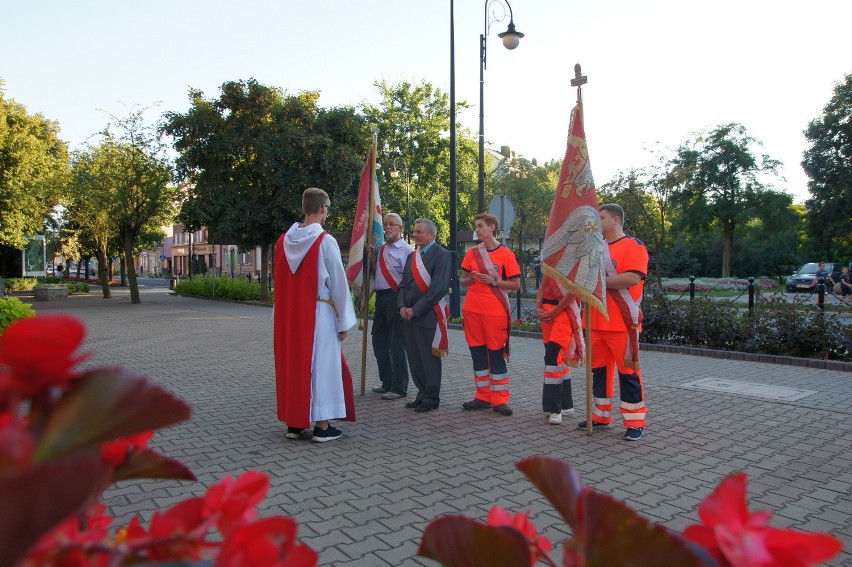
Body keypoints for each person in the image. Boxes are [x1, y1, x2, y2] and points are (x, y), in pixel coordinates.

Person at [273, 188, 357, 443]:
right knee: (322, 366)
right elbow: (338, 283)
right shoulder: (324, 241)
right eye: (327, 209)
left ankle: (295, 424)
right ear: (322, 208)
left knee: (295, 366)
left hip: (289, 315)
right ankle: (322, 426)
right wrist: (344, 320)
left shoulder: (282, 242)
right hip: (318, 313)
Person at [579, 203, 649, 441]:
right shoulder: (594, 248)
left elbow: (632, 277)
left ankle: (635, 422)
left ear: (616, 220)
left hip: (622, 323)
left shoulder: (633, 246)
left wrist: (598, 283)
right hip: (594, 320)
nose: (597, 222)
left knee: (628, 372)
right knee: (599, 371)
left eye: (601, 218)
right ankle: (601, 415)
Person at [459, 213, 521, 416]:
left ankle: (500, 400)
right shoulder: (472, 253)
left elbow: (516, 285)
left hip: (495, 311)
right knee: (477, 354)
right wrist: (473, 278)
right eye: (476, 226)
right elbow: (463, 281)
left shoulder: (506, 254)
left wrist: (492, 281)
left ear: (492, 227)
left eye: (480, 226)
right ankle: (482, 397)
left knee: (495, 354)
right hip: (472, 309)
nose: (477, 230)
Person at [397, 218, 451, 413]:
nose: (415, 234)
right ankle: (421, 393)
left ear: (432, 234)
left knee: (428, 359)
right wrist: (402, 306)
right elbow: (403, 284)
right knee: (414, 357)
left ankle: (431, 397)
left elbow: (438, 289)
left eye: (419, 231)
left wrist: (415, 310)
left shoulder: (442, 255)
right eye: (415, 231)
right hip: (409, 316)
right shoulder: (412, 257)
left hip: (427, 316)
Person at [370, 213, 414, 399]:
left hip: (397, 297)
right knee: (379, 341)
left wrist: (404, 303)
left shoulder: (406, 251)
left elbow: (408, 280)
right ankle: (386, 382)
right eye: (386, 224)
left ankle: (399, 387)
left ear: (400, 228)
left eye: (392, 224)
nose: (388, 228)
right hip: (381, 299)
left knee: (396, 344)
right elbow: (375, 273)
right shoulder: (380, 250)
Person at [535, 275, 580, 424]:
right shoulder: (551, 256)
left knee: (553, 357)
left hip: (565, 311)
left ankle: (555, 409)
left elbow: (574, 290)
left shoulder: (575, 258)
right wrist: (538, 306)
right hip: (547, 310)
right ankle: (566, 404)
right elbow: (543, 284)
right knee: (558, 358)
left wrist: (554, 312)